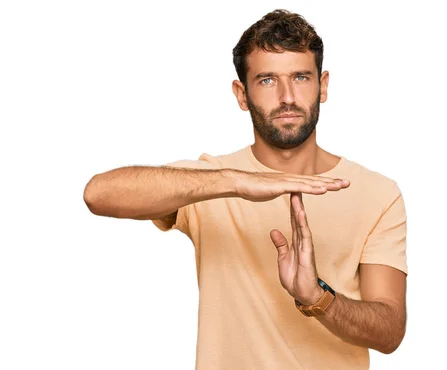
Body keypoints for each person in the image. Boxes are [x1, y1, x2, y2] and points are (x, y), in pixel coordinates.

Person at [84, 9, 407, 370]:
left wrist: (317, 297)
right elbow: (98, 194)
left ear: (323, 85)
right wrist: (237, 180)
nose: (287, 97)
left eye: (300, 77)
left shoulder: (377, 192)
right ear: (242, 93)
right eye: (267, 80)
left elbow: (390, 331)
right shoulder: (209, 183)